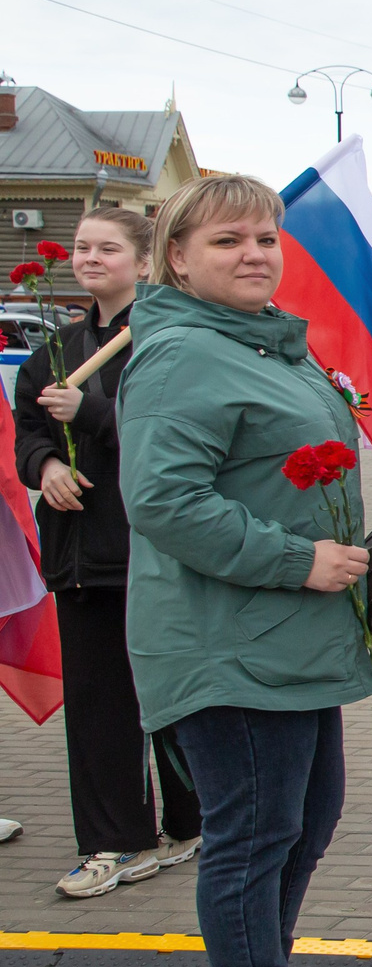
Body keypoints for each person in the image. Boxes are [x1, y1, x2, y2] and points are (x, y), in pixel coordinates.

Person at [121, 176, 372, 967]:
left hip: (290, 637)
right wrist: (294, 560)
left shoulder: (264, 345)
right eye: (228, 240)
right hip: (228, 640)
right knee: (252, 832)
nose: (255, 253)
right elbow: (161, 500)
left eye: (265, 237)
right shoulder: (184, 354)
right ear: (178, 257)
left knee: (300, 824)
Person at [13, 206, 202, 898]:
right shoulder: (56, 350)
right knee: (98, 705)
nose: (90, 257)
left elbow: (175, 433)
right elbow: (27, 427)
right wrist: (45, 467)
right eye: (82, 247)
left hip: (154, 549)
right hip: (82, 556)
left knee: (173, 696)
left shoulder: (169, 340)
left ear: (146, 261)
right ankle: (115, 839)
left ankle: (194, 818)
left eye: (107, 248)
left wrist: (90, 413)